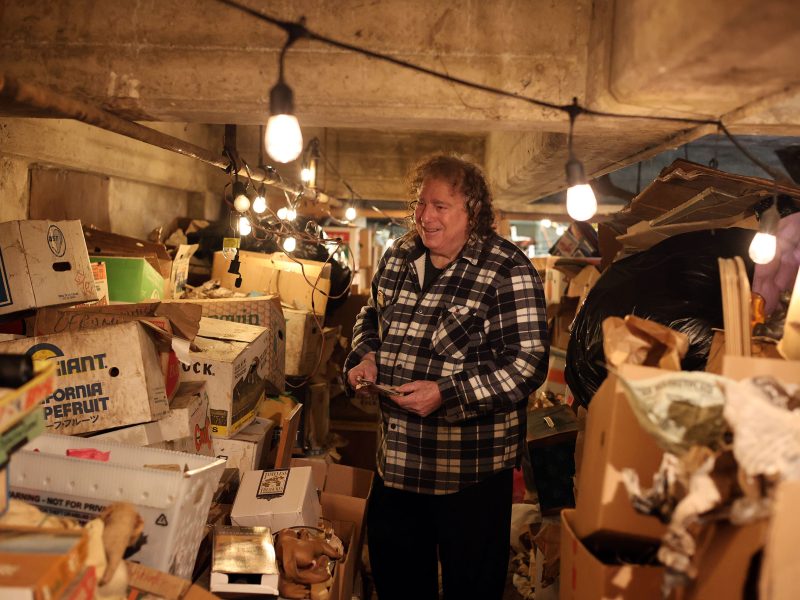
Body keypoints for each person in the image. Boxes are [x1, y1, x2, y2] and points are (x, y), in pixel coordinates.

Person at [344, 154, 550, 600]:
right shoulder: (399, 255)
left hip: (469, 473)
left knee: (471, 589)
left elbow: (527, 363)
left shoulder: (507, 270)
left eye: (440, 206)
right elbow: (371, 316)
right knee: (397, 582)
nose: (425, 216)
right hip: (397, 463)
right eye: (421, 203)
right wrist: (366, 356)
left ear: (472, 211)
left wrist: (447, 393)